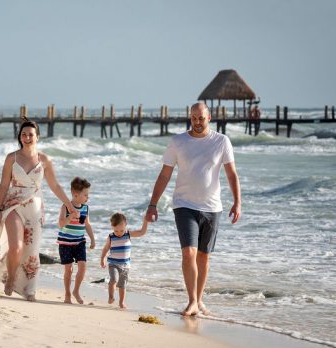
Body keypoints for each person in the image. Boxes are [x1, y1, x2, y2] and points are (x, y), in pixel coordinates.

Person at [146, 101, 241, 316]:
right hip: (184, 205)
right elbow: (164, 174)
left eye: (201, 118)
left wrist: (237, 202)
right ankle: (191, 301)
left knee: (203, 256)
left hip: (212, 207)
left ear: (209, 117)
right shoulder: (178, 142)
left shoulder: (221, 141)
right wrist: (152, 204)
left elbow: (231, 174)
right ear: (190, 118)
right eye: (194, 118)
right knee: (189, 253)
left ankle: (199, 300)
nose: (197, 122)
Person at [0, 118, 79, 302]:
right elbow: (4, 184)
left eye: (31, 134)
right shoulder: (11, 158)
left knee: (31, 250)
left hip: (35, 208)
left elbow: (54, 185)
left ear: (37, 137)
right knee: (16, 246)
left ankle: (30, 290)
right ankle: (11, 277)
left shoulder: (44, 160)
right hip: (13, 204)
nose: (27, 137)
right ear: (19, 137)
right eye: (24, 134)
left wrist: (70, 206)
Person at [57, 177, 95, 304]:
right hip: (65, 242)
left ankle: (76, 291)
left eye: (87, 195)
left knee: (82, 267)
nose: (87, 197)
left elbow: (87, 224)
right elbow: (61, 224)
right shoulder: (66, 207)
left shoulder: (85, 208)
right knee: (68, 269)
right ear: (75, 194)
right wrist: (71, 217)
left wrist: (92, 239)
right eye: (85, 195)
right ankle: (67, 293)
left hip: (80, 242)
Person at [100, 212, 147, 309]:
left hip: (125, 265)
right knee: (113, 279)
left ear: (126, 224)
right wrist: (102, 258)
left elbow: (142, 232)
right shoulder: (111, 237)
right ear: (112, 227)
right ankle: (111, 296)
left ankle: (121, 302)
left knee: (122, 284)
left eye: (121, 230)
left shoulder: (128, 234)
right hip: (113, 263)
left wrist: (145, 221)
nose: (119, 233)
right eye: (116, 231)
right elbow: (105, 249)